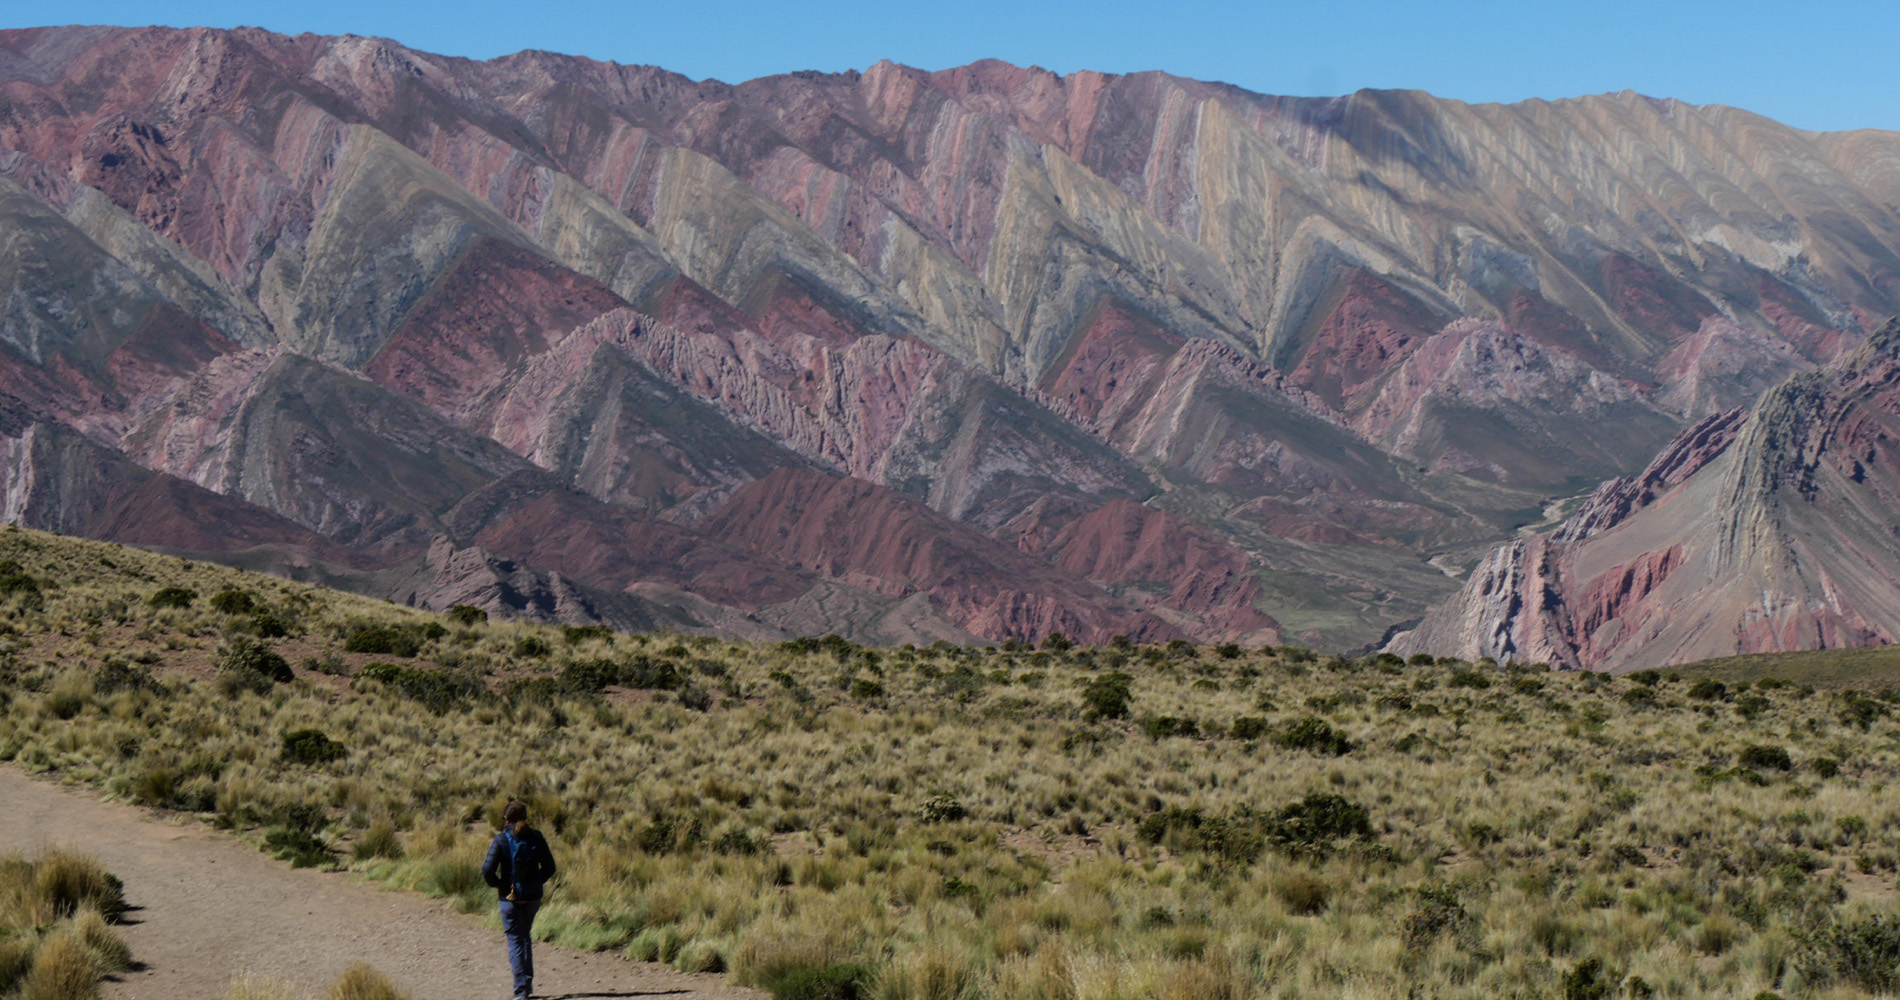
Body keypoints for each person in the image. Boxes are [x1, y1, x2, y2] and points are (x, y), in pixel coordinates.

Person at [481, 800, 557, 1000]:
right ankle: (526, 985)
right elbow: (550, 867)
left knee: (515, 941)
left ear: (507, 819)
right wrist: (535, 882)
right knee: (524, 938)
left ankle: (521, 990)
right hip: (532, 898)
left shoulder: (501, 840)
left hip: (510, 899)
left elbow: (487, 870)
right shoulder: (537, 837)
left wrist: (500, 885)